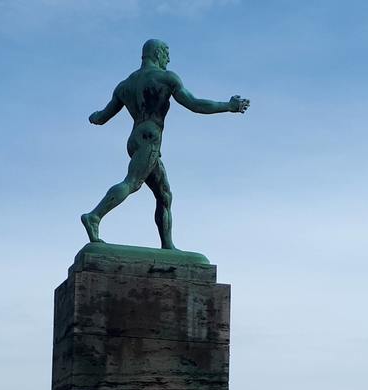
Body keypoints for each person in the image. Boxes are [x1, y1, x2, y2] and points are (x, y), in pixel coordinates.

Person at [81, 39, 250, 249]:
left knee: (164, 195)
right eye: (166, 54)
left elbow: (102, 117)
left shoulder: (124, 85)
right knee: (133, 182)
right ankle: (94, 216)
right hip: (150, 137)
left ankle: (168, 245)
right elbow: (195, 104)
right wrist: (229, 106)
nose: (168, 59)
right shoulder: (165, 78)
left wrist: (93, 116)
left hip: (135, 138)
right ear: (158, 53)